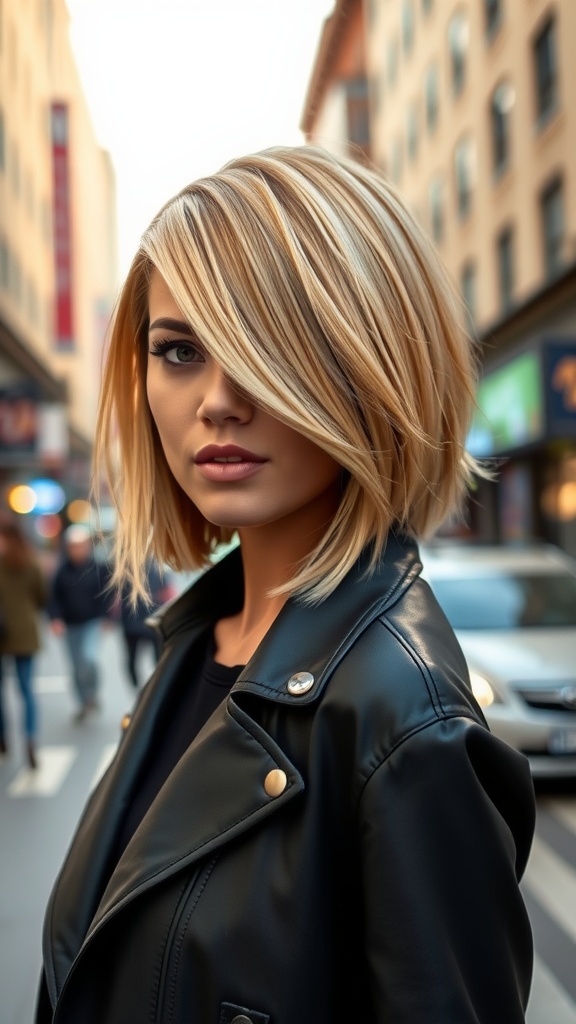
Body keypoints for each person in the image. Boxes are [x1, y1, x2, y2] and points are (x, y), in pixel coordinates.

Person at [36, 146, 535, 1024]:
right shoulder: (201, 636)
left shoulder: (404, 723)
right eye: (180, 349)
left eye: (268, 346)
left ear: (375, 361)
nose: (219, 399)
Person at [49, 524, 112, 721]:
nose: (78, 549)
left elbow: (108, 593)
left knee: (89, 658)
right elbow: (53, 598)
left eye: (81, 545)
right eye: (74, 546)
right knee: (76, 666)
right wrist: (56, 619)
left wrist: (106, 617)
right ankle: (83, 700)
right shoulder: (62, 570)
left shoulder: (98, 568)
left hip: (92, 622)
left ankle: (92, 692)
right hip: (70, 624)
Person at [0, 520, 48, 769]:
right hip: (26, 633)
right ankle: (30, 739)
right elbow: (41, 596)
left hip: (3, 635)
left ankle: (3, 738)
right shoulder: (31, 562)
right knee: (27, 690)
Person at [119, 560, 174, 688]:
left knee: (158, 658)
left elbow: (166, 593)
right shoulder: (125, 571)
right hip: (134, 622)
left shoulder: (157, 569)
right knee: (133, 659)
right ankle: (140, 688)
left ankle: (155, 686)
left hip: (151, 621)